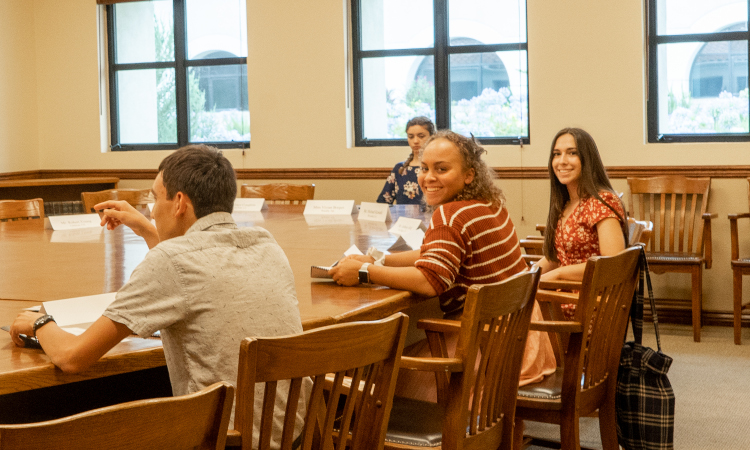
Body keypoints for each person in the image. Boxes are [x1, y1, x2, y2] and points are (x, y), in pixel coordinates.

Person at [10, 144, 307, 448]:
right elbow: (194, 276)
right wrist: (147, 230)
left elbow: (73, 358)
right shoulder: (267, 245)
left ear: (179, 203)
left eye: (154, 197)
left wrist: (40, 322)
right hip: (293, 436)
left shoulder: (170, 262)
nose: (151, 208)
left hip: (224, 441)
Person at [331, 130, 555, 395]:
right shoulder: (489, 204)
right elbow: (439, 255)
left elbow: (430, 281)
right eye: (424, 168)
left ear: (469, 175)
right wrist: (379, 259)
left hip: (480, 354)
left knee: (362, 375)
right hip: (519, 341)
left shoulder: (450, 217)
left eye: (442, 169)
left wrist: (365, 272)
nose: (428, 177)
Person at [535, 127, 627, 319]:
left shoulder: (601, 201)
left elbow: (611, 266)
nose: (562, 161)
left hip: (587, 306)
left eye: (572, 153)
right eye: (556, 154)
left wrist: (559, 275)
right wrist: (526, 276)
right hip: (560, 298)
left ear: (587, 158)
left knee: (505, 322)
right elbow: (555, 257)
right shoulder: (565, 204)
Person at [376, 116, 435, 205]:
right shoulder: (400, 169)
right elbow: (383, 202)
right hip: (402, 218)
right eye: (411, 137)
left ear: (432, 137)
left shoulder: (437, 169)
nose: (415, 141)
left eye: (421, 136)